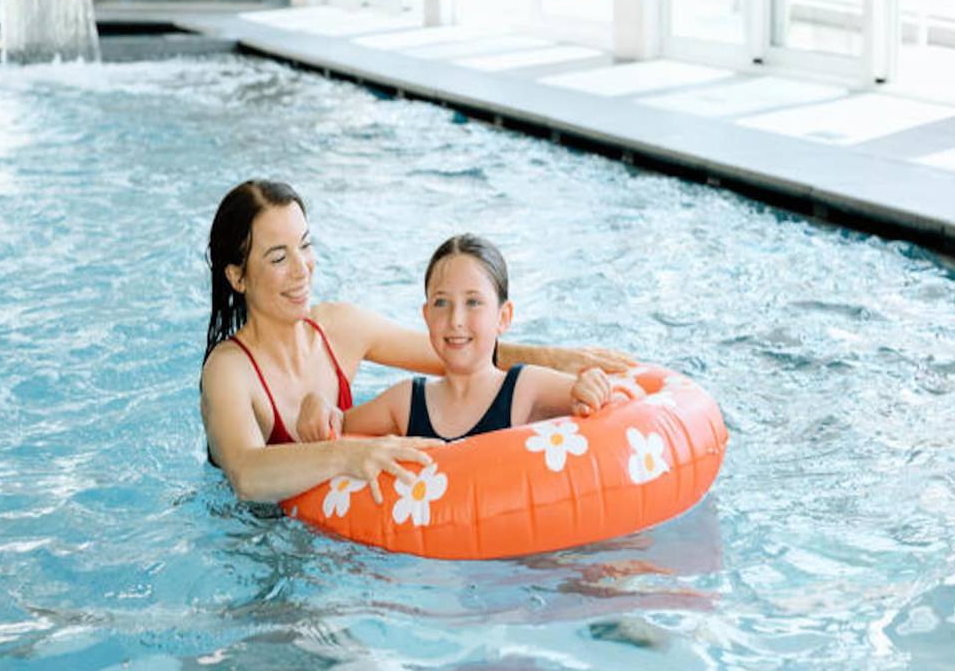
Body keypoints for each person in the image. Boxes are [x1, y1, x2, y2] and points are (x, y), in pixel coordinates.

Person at [199, 179, 634, 505]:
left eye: (305, 246)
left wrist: (554, 360)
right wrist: (347, 455)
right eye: (278, 257)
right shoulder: (229, 370)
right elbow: (246, 473)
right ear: (237, 276)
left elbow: (452, 349)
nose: (303, 269)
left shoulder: (338, 327)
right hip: (256, 542)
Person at [317, 234, 615, 442]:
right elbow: (334, 429)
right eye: (441, 303)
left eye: (473, 302)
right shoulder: (406, 402)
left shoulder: (527, 389)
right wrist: (317, 408)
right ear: (426, 315)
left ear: (503, 317)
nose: (455, 320)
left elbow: (612, 402)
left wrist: (592, 388)